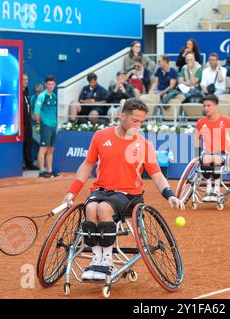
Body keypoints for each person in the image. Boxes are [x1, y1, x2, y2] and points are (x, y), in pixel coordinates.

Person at [62, 98, 185, 280]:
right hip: (102, 190)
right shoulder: (101, 136)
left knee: (103, 208)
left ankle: (107, 262)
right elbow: (87, 164)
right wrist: (72, 191)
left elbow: (157, 175)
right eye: (135, 120)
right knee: (90, 208)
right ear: (122, 116)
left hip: (129, 195)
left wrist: (170, 195)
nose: (138, 125)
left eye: (142, 121)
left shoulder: (144, 145)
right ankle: (97, 259)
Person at [195, 95, 230, 202]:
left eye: (209, 106)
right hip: (208, 154)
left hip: (226, 155)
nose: (206, 108)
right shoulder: (200, 123)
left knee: (216, 158)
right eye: (204, 106)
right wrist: (196, 156)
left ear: (216, 106)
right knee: (205, 159)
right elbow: (197, 140)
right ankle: (209, 189)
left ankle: (216, 189)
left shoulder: (227, 121)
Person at [34, 75, 59, 178]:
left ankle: (49, 170)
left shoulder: (54, 96)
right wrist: (39, 123)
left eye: (52, 84)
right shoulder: (42, 96)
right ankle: (41, 171)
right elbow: (36, 111)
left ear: (55, 85)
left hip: (53, 125)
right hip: (45, 125)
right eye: (49, 84)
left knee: (51, 149)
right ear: (45, 84)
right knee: (43, 148)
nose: (50, 86)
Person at [22, 74, 38, 170]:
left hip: (28, 122)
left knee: (29, 143)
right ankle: (21, 164)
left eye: (27, 79)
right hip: (21, 123)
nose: (26, 81)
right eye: (24, 79)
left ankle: (29, 163)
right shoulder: (18, 91)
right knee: (22, 144)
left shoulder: (27, 90)